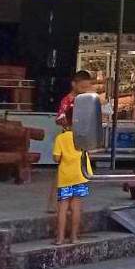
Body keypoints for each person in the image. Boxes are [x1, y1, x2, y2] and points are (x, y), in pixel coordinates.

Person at [47, 70, 96, 213]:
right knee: (62, 172)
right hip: (68, 139)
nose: (84, 90)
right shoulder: (67, 100)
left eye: (86, 88)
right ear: (73, 84)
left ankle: (75, 203)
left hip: (82, 139)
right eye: (82, 87)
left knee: (81, 171)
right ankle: (54, 204)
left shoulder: (87, 100)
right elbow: (59, 118)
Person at [53, 101, 93, 246]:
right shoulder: (82, 136)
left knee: (63, 208)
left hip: (65, 177)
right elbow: (89, 152)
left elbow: (57, 158)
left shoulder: (60, 138)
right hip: (81, 175)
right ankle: (74, 237)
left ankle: (60, 238)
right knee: (76, 207)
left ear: (66, 121)